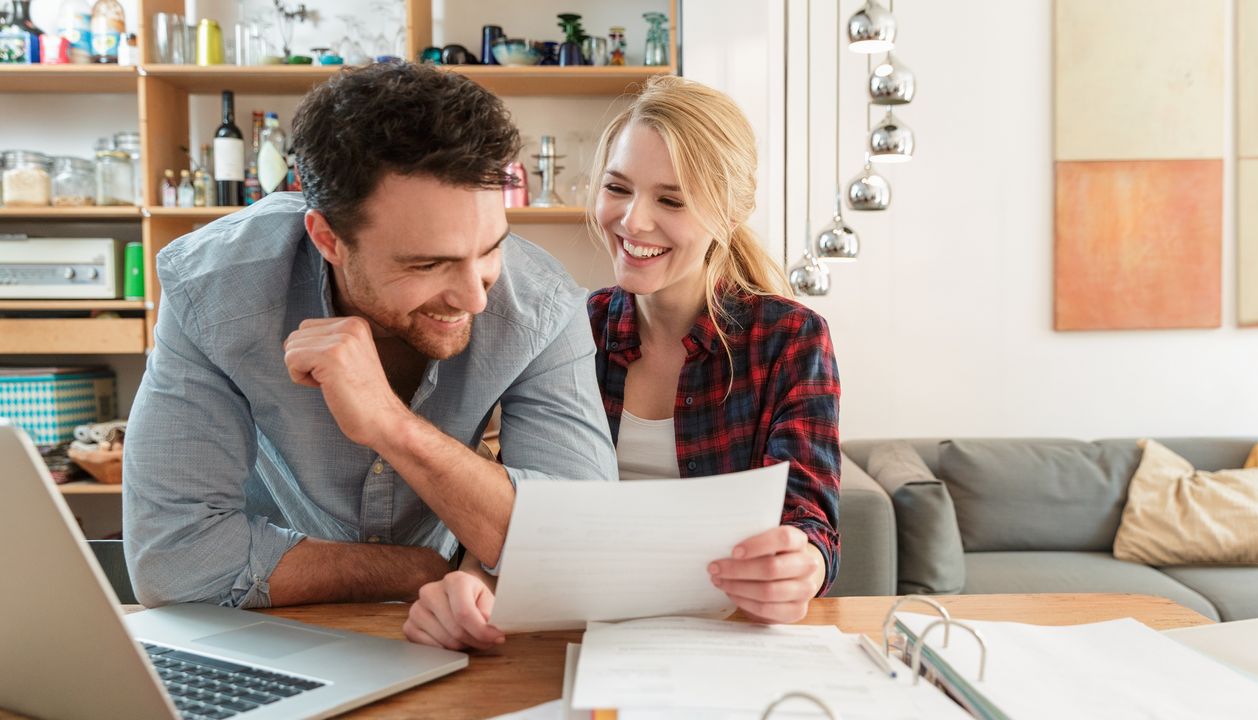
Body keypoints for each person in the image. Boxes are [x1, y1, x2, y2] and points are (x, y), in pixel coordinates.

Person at [123, 62, 617, 609]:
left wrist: (391, 426)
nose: (475, 298)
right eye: (428, 264)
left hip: (454, 624)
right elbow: (173, 563)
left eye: (490, 247)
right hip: (265, 627)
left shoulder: (541, 306)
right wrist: (422, 571)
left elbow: (586, 549)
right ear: (328, 239)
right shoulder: (212, 291)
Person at [404, 76, 841, 650]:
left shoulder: (789, 338)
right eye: (618, 188)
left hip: (725, 641)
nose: (633, 222)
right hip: (573, 635)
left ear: (729, 214)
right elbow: (526, 511)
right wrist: (466, 586)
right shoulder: (569, 326)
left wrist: (803, 565)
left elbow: (810, 522)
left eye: (671, 199)